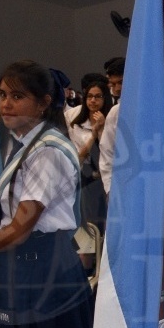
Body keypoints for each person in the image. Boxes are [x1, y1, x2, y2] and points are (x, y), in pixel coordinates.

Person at [0, 59, 93, 328]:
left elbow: (20, 228)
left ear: (44, 102)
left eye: (17, 96)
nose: (5, 103)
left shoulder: (47, 150)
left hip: (43, 262)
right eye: (2, 94)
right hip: (29, 263)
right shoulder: (26, 144)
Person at [67, 77, 112, 231]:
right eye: (89, 96)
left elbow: (114, 150)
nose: (93, 101)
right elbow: (78, 156)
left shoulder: (113, 120)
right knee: (89, 222)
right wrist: (93, 134)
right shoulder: (75, 122)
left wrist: (103, 127)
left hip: (109, 177)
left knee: (109, 220)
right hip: (87, 177)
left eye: (98, 96)